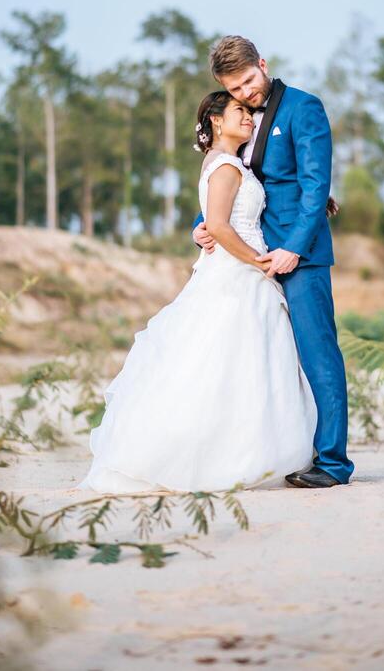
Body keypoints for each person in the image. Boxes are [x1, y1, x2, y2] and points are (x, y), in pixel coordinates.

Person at [78, 89, 318, 493]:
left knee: (237, 364)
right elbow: (221, 227)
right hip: (237, 271)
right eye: (240, 111)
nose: (249, 117)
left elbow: (216, 221)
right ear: (216, 121)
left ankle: (242, 453)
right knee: (228, 363)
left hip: (232, 269)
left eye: (249, 111)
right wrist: (258, 262)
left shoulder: (226, 162)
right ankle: (220, 457)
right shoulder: (226, 166)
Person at [192, 36, 355, 488]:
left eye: (248, 81)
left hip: (298, 257)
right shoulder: (239, 121)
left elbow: (316, 185)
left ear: (262, 64)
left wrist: (294, 248)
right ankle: (281, 451)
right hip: (251, 261)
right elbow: (229, 178)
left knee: (317, 355)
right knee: (262, 361)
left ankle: (333, 463)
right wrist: (200, 224)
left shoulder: (304, 108)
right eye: (236, 89)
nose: (246, 94)